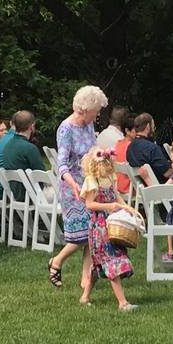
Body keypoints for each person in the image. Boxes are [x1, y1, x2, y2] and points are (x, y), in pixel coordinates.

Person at [47, 85, 109, 290]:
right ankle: (56, 261)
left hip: (91, 184)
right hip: (72, 187)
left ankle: (86, 279)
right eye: (97, 109)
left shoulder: (89, 125)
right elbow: (62, 163)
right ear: (85, 108)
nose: (99, 113)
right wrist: (73, 183)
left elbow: (92, 151)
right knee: (78, 236)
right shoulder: (66, 129)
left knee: (92, 234)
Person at [78, 146, 137, 311]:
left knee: (98, 265)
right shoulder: (92, 181)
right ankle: (122, 303)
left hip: (112, 224)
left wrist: (127, 208)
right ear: (96, 165)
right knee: (112, 261)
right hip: (99, 227)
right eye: (104, 164)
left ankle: (85, 296)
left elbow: (117, 197)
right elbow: (89, 204)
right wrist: (109, 206)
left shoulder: (110, 178)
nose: (108, 167)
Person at [0, 110, 46, 201]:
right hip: (30, 195)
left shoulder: (8, 145)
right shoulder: (30, 148)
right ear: (32, 126)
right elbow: (42, 175)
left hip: (13, 194)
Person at [126, 113, 173, 182]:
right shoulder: (152, 148)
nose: (154, 129)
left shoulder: (130, 148)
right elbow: (167, 173)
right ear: (148, 126)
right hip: (163, 188)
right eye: (153, 126)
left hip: (143, 189)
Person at [113, 112, 136, 196]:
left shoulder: (118, 143)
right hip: (129, 188)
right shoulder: (131, 146)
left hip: (118, 186)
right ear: (127, 130)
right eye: (136, 129)